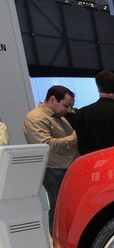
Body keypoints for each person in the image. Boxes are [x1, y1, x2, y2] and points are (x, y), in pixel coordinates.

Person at [23, 85, 78, 227]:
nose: (68, 110)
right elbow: (45, 145)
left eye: (70, 106)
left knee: (69, 208)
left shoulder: (58, 116)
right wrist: (72, 138)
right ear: (53, 99)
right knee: (59, 209)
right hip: (54, 171)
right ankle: (57, 238)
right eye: (66, 105)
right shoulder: (35, 118)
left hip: (66, 168)